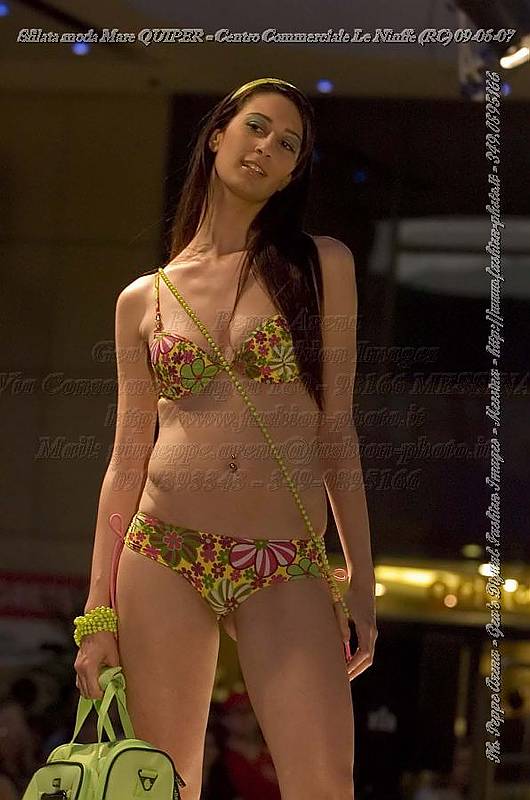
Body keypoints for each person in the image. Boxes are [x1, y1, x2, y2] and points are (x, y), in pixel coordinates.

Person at [73, 76, 377, 800]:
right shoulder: (143, 298)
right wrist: (97, 614)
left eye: (289, 144)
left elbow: (337, 431)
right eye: (257, 127)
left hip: (283, 555)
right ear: (217, 135)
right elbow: (125, 463)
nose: (268, 147)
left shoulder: (321, 266)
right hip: (163, 550)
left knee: (324, 782)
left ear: (293, 174)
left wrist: (361, 580)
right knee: (166, 784)